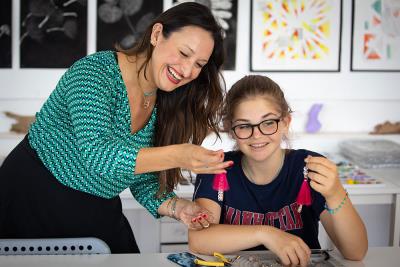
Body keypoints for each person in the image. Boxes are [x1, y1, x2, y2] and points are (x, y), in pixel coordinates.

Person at [0, 2, 232, 253]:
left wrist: (179, 207)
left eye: (199, 64)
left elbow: (143, 179)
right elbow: (98, 154)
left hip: (96, 205)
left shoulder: (166, 100)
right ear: (156, 35)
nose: (188, 70)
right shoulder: (95, 73)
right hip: (31, 198)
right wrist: (179, 154)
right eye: (184, 53)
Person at [189, 75, 368, 266]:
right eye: (244, 125)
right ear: (231, 130)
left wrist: (335, 193)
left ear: (285, 123)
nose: (257, 135)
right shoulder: (217, 168)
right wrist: (267, 234)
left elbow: (355, 252)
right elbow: (199, 240)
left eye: (268, 123)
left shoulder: (309, 168)